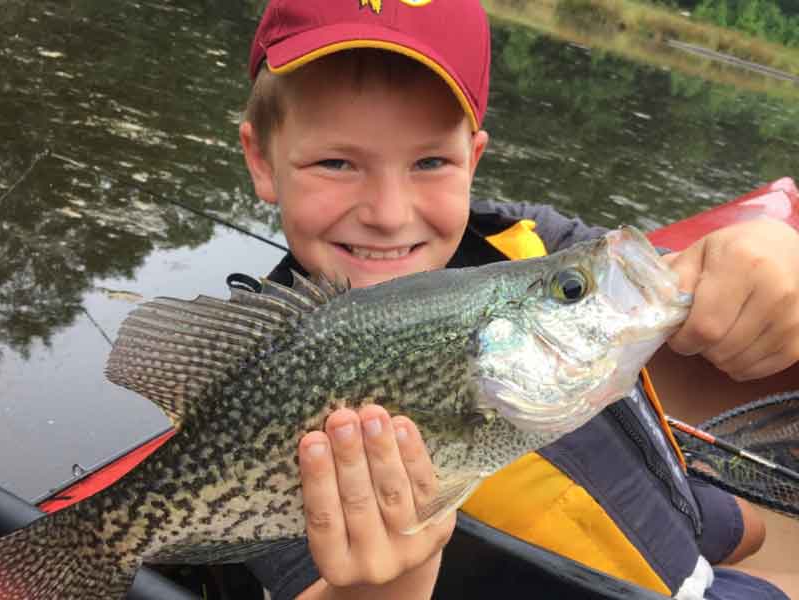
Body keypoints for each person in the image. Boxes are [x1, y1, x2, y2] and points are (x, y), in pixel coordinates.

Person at [236, 1, 799, 598]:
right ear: (262, 160)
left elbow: (652, 282)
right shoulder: (257, 373)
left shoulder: (527, 245)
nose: (388, 214)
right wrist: (383, 585)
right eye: (335, 162)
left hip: (678, 544)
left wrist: (767, 252)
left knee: (752, 530)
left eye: (430, 161)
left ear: (473, 159)